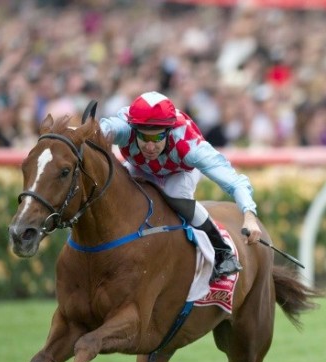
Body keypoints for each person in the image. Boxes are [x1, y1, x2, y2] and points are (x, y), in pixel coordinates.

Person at [99, 91, 261, 280]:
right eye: (144, 137)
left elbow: (234, 181)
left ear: (169, 131)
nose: (150, 147)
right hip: (139, 167)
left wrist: (249, 216)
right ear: (134, 130)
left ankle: (222, 252)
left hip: (180, 172)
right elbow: (100, 129)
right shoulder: (124, 128)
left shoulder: (189, 145)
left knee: (176, 196)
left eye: (157, 138)